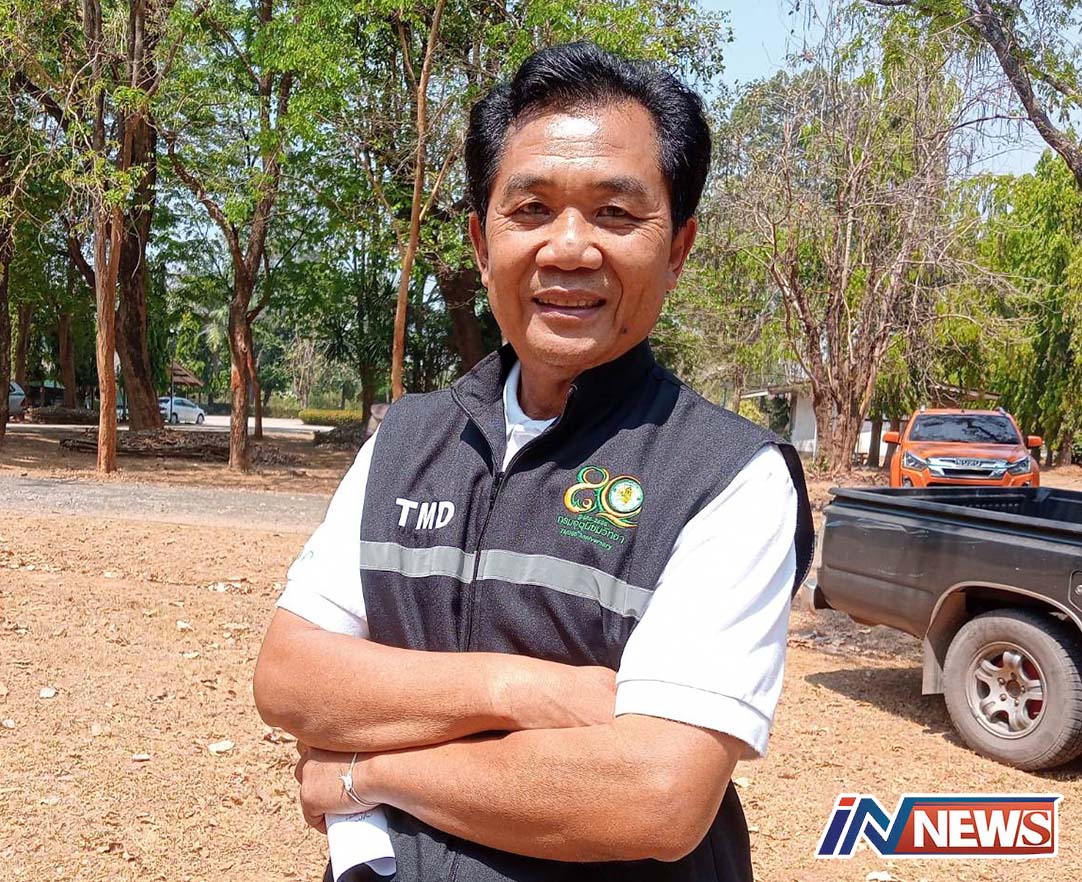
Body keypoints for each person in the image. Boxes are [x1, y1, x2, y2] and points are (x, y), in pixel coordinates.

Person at [254, 41, 814, 882]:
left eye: (616, 214)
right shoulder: (407, 440)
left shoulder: (729, 477)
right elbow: (291, 678)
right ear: (483, 243)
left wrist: (368, 772)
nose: (569, 248)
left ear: (679, 247)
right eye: (533, 209)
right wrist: (516, 689)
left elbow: (655, 796)